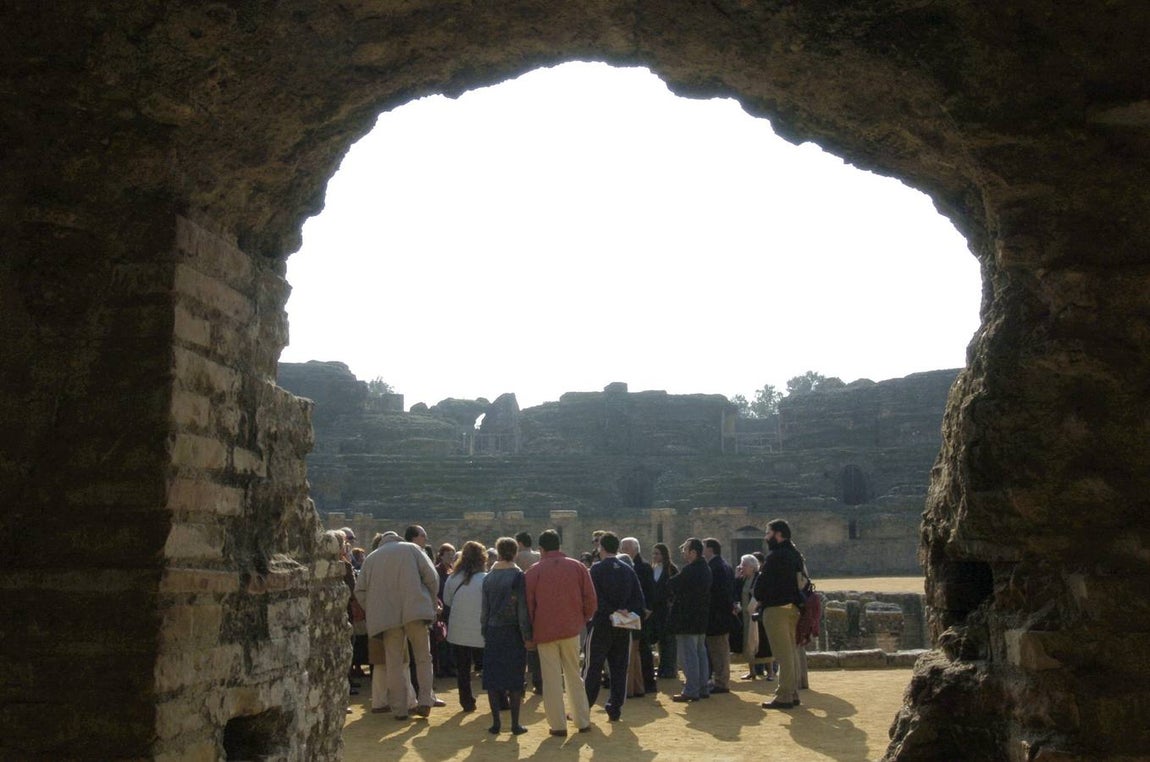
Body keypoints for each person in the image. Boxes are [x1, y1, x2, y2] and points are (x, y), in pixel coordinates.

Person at [354, 530, 440, 720]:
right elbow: (432, 578)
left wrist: (373, 609)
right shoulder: (413, 550)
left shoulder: (371, 558)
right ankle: (425, 700)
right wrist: (431, 602)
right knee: (423, 657)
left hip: (387, 617)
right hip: (415, 610)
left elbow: (359, 590)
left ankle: (399, 709)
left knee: (394, 663)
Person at [525, 529, 597, 736]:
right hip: (571, 629)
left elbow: (529, 606)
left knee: (551, 679)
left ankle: (558, 725)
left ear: (541, 549)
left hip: (545, 631)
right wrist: (581, 619)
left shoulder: (534, 572)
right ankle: (582, 720)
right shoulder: (577, 567)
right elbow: (590, 598)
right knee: (575, 675)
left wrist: (530, 632)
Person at [584, 532, 645, 722]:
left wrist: (611, 611)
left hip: (602, 623)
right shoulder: (628, 570)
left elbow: (593, 598)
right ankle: (615, 708)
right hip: (623, 625)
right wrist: (625, 611)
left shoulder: (596, 569)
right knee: (619, 668)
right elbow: (639, 601)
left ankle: (584, 707)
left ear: (601, 548)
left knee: (592, 667)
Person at [481, 537, 533, 735]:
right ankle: (514, 724)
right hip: (513, 632)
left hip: (493, 630)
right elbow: (521, 610)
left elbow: (484, 611)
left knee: (493, 680)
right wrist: (527, 635)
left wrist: (485, 631)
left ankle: (496, 723)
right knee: (514, 679)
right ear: (515, 553)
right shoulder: (518, 577)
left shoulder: (488, 578)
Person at [754, 519, 806, 709]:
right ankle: (792, 692)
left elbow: (762, 584)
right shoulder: (795, 555)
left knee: (782, 655)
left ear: (778, 534)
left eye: (768, 533)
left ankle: (784, 695)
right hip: (792, 608)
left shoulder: (775, 556)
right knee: (790, 652)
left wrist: (759, 596)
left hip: (776, 609)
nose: (766, 537)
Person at [442, 541, 487, 712]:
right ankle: (497, 698)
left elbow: (447, 601)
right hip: (480, 630)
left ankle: (466, 700)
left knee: (463, 668)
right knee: (487, 666)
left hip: (459, 629)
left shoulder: (453, 578)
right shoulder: (485, 579)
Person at [668, 537, 711, 702]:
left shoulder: (691, 570)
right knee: (700, 653)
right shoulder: (705, 568)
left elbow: (673, 584)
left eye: (685, 549)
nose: (683, 552)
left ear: (693, 552)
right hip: (700, 618)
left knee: (688, 656)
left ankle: (692, 689)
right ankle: (702, 687)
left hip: (687, 619)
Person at [619, 536, 657, 694]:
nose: (623, 551)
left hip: (641, 613)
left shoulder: (644, 567)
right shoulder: (628, 566)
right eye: (622, 549)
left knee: (643, 649)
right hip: (631, 613)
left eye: (626, 548)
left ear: (635, 549)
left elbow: (650, 590)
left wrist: (648, 608)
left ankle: (647, 683)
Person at [703, 537, 736, 694]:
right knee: (719, 649)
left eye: (704, 548)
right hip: (722, 615)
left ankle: (722, 683)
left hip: (717, 616)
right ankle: (720, 680)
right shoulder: (724, 565)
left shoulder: (716, 567)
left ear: (710, 549)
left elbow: (718, 594)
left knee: (719, 651)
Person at [513, 532, 543, 693]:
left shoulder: (516, 557)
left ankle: (521, 682)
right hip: (537, 604)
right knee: (537, 647)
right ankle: (538, 682)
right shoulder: (539, 557)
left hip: (519, 604)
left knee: (520, 647)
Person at [735, 554, 772, 679]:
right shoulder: (743, 579)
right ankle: (752, 671)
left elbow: (764, 594)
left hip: (758, 615)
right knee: (748, 642)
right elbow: (736, 593)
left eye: (744, 565)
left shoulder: (759, 578)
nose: (742, 567)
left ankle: (770, 672)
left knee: (763, 642)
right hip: (746, 615)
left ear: (752, 567)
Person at [649, 542, 679, 679]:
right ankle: (662, 668)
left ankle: (670, 669)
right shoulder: (652, 569)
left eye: (658, 553)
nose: (655, 556)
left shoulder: (671, 569)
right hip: (655, 610)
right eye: (654, 553)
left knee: (669, 641)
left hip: (667, 610)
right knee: (660, 640)